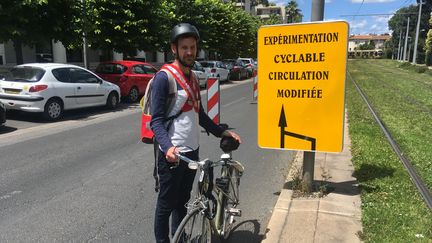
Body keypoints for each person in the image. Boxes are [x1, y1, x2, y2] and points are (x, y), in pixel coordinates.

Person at [150, 23, 241, 243]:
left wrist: (222, 133)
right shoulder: (165, 78)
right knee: (165, 205)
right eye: (184, 48)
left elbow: (200, 115)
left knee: (182, 201)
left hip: (192, 152)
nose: (189, 52)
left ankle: (179, 238)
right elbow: (156, 122)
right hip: (172, 154)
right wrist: (168, 147)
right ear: (174, 49)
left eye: (192, 47)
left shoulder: (192, 77)